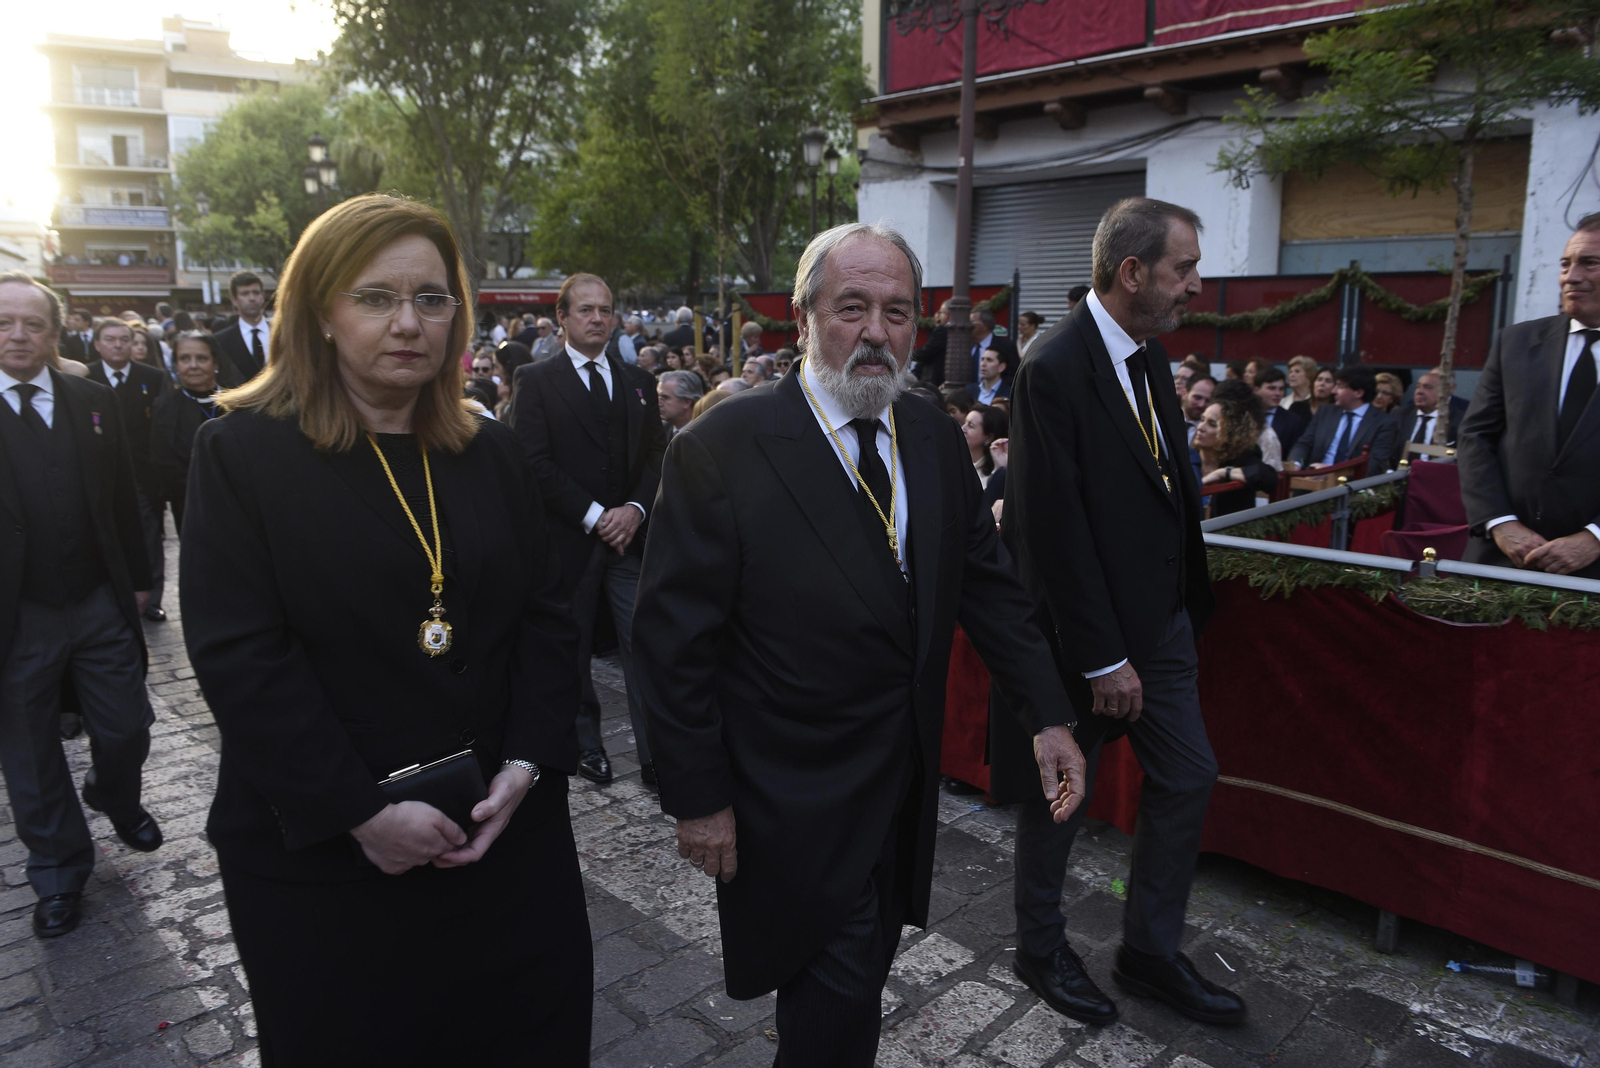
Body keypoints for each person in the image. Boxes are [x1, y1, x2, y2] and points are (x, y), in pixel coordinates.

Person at [631, 222, 1086, 1067]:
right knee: (838, 1003)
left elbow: (989, 591)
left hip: (901, 789)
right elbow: (671, 644)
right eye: (852, 308)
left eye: (898, 311)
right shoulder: (721, 448)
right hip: (788, 792)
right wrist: (697, 796)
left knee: (851, 983)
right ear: (803, 318)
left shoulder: (929, 435)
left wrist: (1048, 715)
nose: (877, 331)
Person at [180, 194, 591, 1063]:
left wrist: (526, 764)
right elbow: (242, 658)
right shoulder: (243, 455)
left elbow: (551, 619)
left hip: (502, 840)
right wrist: (360, 814)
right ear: (319, 313)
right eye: (375, 298)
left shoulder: (494, 452)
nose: (408, 322)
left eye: (431, 299)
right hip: (329, 861)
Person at [1001, 197, 1246, 1029]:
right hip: (1088, 643)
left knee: (1189, 775)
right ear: (1133, 271)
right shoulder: (1054, 367)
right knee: (1061, 797)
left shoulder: (1149, 353)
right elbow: (1053, 525)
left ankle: (1147, 953)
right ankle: (1039, 947)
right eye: (1185, 269)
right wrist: (1103, 656)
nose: (1197, 286)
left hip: (1164, 628)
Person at [0, 271, 159, 940]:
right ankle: (60, 873)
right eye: (5, 323)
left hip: (97, 598)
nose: (17, 335)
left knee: (127, 726)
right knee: (30, 756)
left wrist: (144, 577)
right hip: (16, 616)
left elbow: (124, 495)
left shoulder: (93, 400)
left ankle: (114, 793)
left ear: (55, 332)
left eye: (32, 324)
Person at [512, 273, 666, 787]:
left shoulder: (638, 381)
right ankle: (586, 747)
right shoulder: (535, 380)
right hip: (567, 542)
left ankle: (655, 756)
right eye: (585, 310)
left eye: (605, 309)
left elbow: (654, 456)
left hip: (629, 539)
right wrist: (597, 514)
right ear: (562, 317)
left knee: (642, 640)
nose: (598, 318)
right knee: (571, 649)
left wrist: (636, 510)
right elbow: (531, 462)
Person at [1458, 214, 1600, 578]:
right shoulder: (1515, 343)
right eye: (1565, 264)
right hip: (1502, 560)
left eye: (1590, 263)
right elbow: (1475, 437)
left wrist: (1594, 538)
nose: (1571, 277)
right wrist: (1500, 522)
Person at [86, 318, 171, 622]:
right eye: (110, 339)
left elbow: (162, 427)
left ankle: (152, 599)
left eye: (124, 339)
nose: (118, 345)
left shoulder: (153, 377)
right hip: (98, 472)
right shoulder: (85, 377)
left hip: (143, 473)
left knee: (149, 537)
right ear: (97, 344)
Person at [149, 331, 222, 532]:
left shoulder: (237, 403)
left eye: (202, 358)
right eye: (184, 359)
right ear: (176, 365)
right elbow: (163, 461)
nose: (193, 365)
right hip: (188, 504)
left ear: (215, 363)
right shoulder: (165, 407)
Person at [1287, 365, 1398, 473]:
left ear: (1358, 393)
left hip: (1352, 486)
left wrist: (1330, 472)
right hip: (1313, 481)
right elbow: (1304, 443)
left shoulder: (1383, 423)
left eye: (1340, 386)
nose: (1333, 391)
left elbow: (1375, 465)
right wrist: (1296, 464)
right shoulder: (1325, 412)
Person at [1196, 385, 1278, 515]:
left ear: (1230, 433)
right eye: (1202, 420)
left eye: (1212, 424)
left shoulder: (1242, 456)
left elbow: (1268, 478)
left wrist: (1223, 473)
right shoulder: (1188, 455)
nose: (1200, 427)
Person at [1396, 367, 1469, 458]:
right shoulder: (1400, 415)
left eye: (1428, 387)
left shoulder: (1460, 421)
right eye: (1418, 386)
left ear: (1446, 391)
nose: (1419, 391)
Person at [213, 271, 272, 384]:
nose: (252, 298)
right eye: (245, 294)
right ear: (234, 300)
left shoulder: (281, 333)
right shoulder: (221, 340)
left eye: (256, 292)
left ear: (262, 296)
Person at [1252, 366, 1303, 455]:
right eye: (1272, 388)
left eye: (1281, 389)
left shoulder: (1292, 421)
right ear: (1256, 390)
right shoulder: (1246, 415)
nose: (1278, 394)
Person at [969, 306, 1018, 383]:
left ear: (985, 325)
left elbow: (1014, 376)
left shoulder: (1006, 346)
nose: (967, 326)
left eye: (971, 322)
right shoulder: (965, 346)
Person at [963, 403, 1007, 489]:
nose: (963, 429)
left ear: (988, 437)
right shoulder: (955, 460)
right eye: (965, 423)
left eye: (970, 426)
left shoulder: (993, 473)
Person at [657, 369, 704, 436]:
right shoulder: (662, 430)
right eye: (658, 396)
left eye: (665, 398)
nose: (658, 403)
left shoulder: (703, 432)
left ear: (687, 402)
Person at [1181, 374, 1215, 443]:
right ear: (1184, 394)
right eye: (1197, 398)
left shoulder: (1212, 433)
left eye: (1208, 401)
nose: (1201, 405)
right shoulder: (1165, 420)